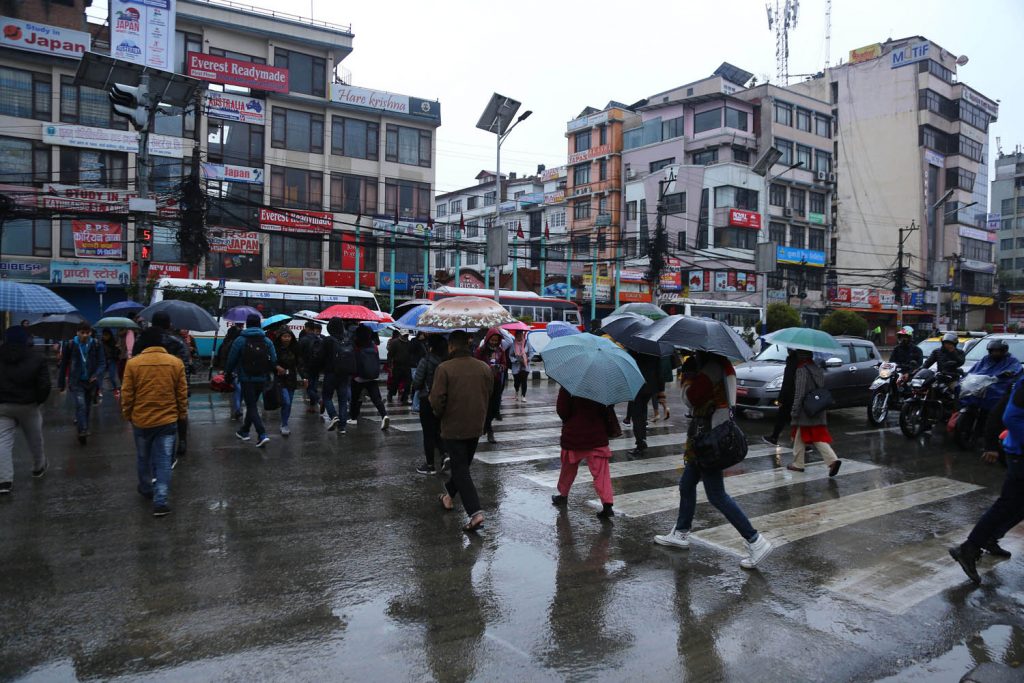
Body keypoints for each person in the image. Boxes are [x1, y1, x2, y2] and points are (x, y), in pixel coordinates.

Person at [655, 351, 774, 569]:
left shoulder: (711, 368)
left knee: (716, 495)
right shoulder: (723, 364)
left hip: (709, 438)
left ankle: (755, 540)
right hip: (708, 436)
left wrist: (687, 377)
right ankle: (681, 532)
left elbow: (690, 399)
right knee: (687, 484)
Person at [949, 374, 1024, 584]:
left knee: (1016, 504)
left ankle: (986, 540)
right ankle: (969, 548)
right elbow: (1011, 416)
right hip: (1020, 455)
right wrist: (991, 445)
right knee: (1008, 503)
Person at [430, 330, 494, 533]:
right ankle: (448, 496)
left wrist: (439, 414)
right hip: (476, 425)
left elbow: (437, 400)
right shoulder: (484, 367)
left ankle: (475, 513)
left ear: (451, 346)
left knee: (460, 469)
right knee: (462, 465)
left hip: (453, 427)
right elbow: (489, 394)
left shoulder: (444, 368)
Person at [121, 327, 188, 517]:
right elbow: (181, 394)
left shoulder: (133, 364)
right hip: (167, 420)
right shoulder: (175, 363)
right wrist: (181, 414)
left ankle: (145, 487)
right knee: (164, 460)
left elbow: (127, 393)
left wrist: (128, 414)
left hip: (141, 421)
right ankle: (161, 500)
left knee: (143, 457)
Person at [550, 386, 619, 519]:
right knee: (601, 474)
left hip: (574, 436)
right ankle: (607, 505)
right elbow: (607, 411)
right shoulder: (602, 386)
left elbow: (562, 411)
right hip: (596, 436)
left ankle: (563, 495)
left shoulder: (569, 384)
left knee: (567, 470)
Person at [0, 325, 51, 493]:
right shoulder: (37, 358)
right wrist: (39, 401)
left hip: (3, 406)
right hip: (29, 405)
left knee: (3, 442)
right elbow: (45, 384)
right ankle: (38, 466)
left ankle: (5, 481)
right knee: (35, 438)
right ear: (25, 339)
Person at [787, 349, 842, 475]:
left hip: (805, 408)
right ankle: (798, 463)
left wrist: (794, 410)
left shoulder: (801, 370)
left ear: (800, 356)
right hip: (817, 406)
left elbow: (799, 393)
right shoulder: (816, 368)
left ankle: (832, 460)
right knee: (802, 435)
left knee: (813, 436)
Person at [225, 313, 277, 447]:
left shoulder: (240, 340)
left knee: (251, 405)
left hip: (246, 378)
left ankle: (262, 434)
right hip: (262, 377)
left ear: (247, 324)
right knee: (252, 404)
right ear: (259, 324)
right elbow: (274, 360)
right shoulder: (266, 340)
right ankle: (244, 431)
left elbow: (231, 359)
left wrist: (228, 373)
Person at [57, 322, 106, 445]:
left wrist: (96, 374)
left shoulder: (96, 344)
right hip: (76, 381)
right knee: (81, 405)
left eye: (87, 332)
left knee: (87, 406)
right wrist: (61, 382)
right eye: (82, 332)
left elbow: (102, 362)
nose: (85, 335)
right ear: (77, 332)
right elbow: (63, 365)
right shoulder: (70, 344)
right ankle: (82, 430)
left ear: (90, 332)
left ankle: (85, 426)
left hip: (91, 381)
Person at [412, 335, 448, 475]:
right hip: (442, 400)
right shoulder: (447, 362)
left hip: (427, 400)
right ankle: (445, 456)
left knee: (428, 433)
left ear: (431, 346)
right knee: (439, 430)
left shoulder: (426, 360)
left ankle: (430, 465)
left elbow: (417, 383)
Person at [316, 317, 354, 434]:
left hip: (331, 373)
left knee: (327, 396)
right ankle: (342, 427)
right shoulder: (347, 339)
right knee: (343, 400)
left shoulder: (328, 340)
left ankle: (333, 416)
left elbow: (320, 357)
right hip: (345, 374)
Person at [348, 324, 390, 429]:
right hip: (372, 376)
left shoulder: (355, 345)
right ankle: (384, 415)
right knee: (376, 399)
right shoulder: (373, 344)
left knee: (356, 398)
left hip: (358, 377)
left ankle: (353, 418)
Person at [762, 348, 800, 457]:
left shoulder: (792, 362)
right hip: (800, 394)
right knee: (798, 419)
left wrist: (781, 398)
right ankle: (805, 444)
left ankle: (774, 437)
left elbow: (787, 382)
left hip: (790, 395)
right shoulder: (803, 360)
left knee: (782, 416)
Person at [475, 328, 509, 444]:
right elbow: (476, 364)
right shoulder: (481, 351)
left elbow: (505, 364)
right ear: (488, 339)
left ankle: (486, 425)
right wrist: (487, 368)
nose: (494, 342)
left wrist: (500, 367)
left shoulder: (501, 351)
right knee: (487, 407)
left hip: (496, 382)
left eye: (496, 340)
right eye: (492, 340)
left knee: (494, 408)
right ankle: (489, 430)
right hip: (484, 383)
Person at [627, 351, 660, 455]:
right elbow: (659, 371)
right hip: (651, 386)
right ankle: (642, 438)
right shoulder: (654, 352)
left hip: (638, 386)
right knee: (642, 413)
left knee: (637, 415)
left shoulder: (634, 351)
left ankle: (640, 442)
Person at [273, 329, 302, 436]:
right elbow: (270, 362)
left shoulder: (295, 348)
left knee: (289, 403)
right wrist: (276, 367)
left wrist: (304, 377)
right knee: (286, 401)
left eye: (288, 336)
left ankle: (284, 423)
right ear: (280, 337)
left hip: (291, 378)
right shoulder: (275, 349)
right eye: (284, 336)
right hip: (280, 379)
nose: (286, 338)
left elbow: (300, 364)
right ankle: (284, 424)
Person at [216, 325, 243, 420]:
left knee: (236, 389)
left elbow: (220, 357)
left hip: (230, 370)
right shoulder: (234, 344)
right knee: (238, 389)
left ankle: (236, 409)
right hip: (233, 370)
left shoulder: (225, 342)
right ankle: (237, 409)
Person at [298, 320, 323, 413]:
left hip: (306, 367)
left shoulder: (303, 340)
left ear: (307, 328)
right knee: (314, 387)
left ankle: (319, 400)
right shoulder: (319, 340)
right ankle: (312, 407)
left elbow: (299, 355)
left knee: (308, 388)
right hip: (317, 367)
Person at [387, 330, 413, 403]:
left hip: (407, 366)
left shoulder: (409, 343)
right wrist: (390, 365)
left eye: (407, 335)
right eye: (404, 335)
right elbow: (390, 355)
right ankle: (390, 394)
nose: (406, 337)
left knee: (408, 383)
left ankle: (404, 398)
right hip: (397, 366)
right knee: (395, 382)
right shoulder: (395, 342)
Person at [99, 328, 122, 399]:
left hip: (111, 360)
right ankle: (99, 390)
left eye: (106, 335)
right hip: (103, 361)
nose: (104, 336)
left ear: (109, 335)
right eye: (103, 335)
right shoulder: (101, 343)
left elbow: (118, 353)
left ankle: (116, 389)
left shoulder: (114, 343)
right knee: (100, 376)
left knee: (112, 376)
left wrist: (117, 349)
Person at [509, 330, 532, 403]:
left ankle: (523, 396)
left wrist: (528, 359)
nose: (520, 337)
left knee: (524, 381)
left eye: (521, 335)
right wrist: (516, 360)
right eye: (518, 335)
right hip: (516, 366)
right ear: (516, 336)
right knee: (517, 382)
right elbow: (510, 355)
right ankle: (517, 391)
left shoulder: (527, 343)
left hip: (525, 366)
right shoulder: (513, 344)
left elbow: (531, 352)